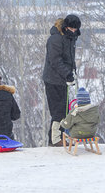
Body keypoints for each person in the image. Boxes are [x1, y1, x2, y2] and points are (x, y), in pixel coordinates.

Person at [42, 14, 80, 146]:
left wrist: (72, 71)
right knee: (58, 109)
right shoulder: (55, 39)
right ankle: (55, 138)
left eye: (75, 30)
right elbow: (55, 60)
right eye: (71, 29)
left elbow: (69, 58)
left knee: (65, 109)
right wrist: (67, 73)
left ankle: (61, 135)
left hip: (63, 79)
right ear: (65, 27)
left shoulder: (70, 38)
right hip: (53, 79)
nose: (73, 31)